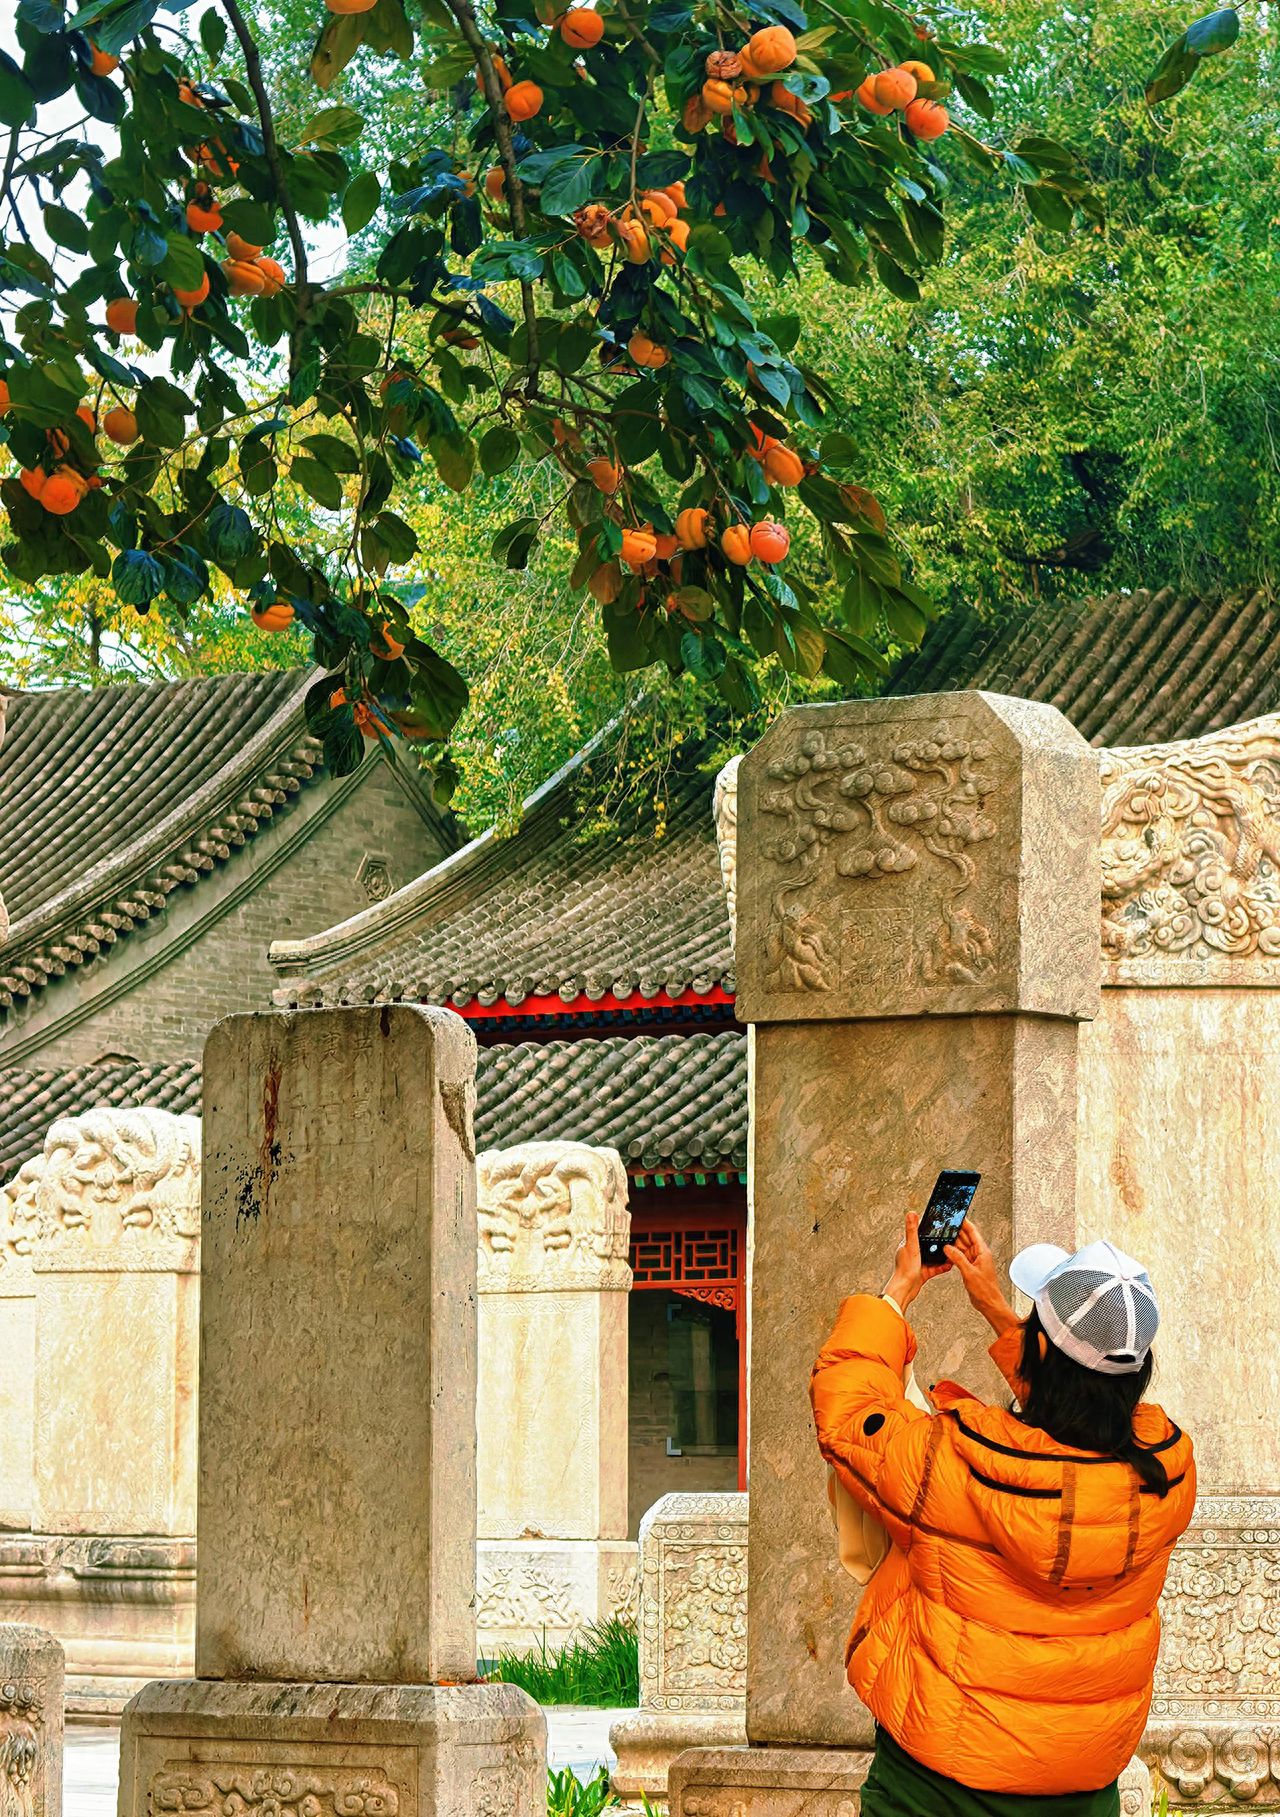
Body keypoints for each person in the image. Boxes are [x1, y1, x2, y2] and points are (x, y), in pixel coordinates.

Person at [810, 1212, 1195, 1817]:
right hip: (1083, 1785)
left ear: (1041, 1348)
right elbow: (1078, 1415)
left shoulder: (955, 1464)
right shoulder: (1168, 1476)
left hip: (937, 1785)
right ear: (1139, 1369)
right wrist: (996, 1309)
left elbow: (849, 1415)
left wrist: (896, 1292)